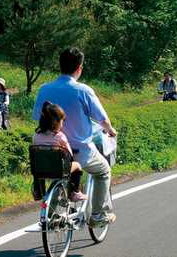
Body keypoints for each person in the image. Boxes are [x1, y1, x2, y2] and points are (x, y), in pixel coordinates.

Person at [33, 48, 117, 228]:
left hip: (49, 151)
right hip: (80, 151)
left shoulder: (44, 89)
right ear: (79, 68)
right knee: (103, 171)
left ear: (60, 66)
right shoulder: (83, 90)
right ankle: (99, 215)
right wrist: (111, 130)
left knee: (60, 175)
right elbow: (102, 119)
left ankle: (56, 213)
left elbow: (36, 117)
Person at [32, 101, 88, 202]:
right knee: (77, 165)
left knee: (37, 170)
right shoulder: (60, 137)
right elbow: (69, 154)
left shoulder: (36, 136)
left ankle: (38, 191)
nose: (62, 125)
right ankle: (75, 192)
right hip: (58, 170)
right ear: (55, 122)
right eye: (62, 121)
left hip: (40, 169)